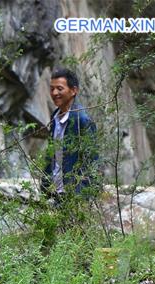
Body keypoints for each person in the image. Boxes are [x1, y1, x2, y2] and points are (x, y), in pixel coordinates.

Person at [42, 68, 98, 201]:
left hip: (73, 196)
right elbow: (52, 156)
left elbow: (92, 162)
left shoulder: (82, 120)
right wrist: (45, 183)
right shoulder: (55, 117)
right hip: (53, 193)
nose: (54, 93)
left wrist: (82, 196)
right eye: (52, 89)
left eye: (60, 89)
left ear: (73, 91)